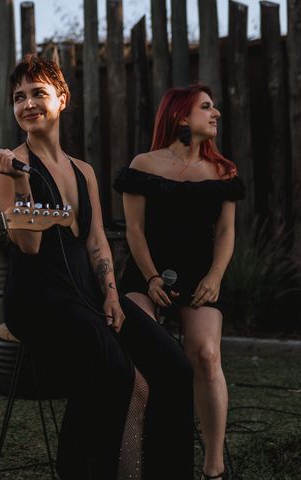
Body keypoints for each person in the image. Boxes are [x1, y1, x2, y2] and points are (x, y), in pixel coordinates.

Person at [0, 55, 194, 479]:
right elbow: (27, 245)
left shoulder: (83, 171)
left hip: (86, 289)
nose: (27, 103)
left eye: (38, 93)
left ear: (62, 99)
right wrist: (22, 178)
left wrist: (113, 294)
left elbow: (97, 238)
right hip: (36, 296)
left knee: (174, 364)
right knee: (113, 370)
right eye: (18, 97)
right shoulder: (8, 168)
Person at [114, 84, 245, 480]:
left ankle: (213, 466)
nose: (216, 113)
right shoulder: (144, 164)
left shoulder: (223, 171)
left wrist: (215, 276)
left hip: (201, 274)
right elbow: (133, 230)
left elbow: (226, 233)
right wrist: (152, 276)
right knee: (140, 357)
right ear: (181, 117)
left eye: (214, 106)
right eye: (206, 107)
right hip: (146, 271)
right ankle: (131, 463)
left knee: (206, 355)